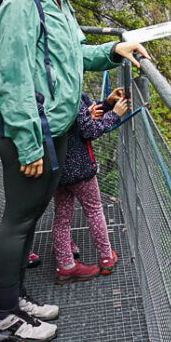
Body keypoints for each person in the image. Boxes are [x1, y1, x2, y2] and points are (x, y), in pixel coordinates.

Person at [0, 0, 150, 342]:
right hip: (31, 130)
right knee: (17, 221)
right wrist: (28, 143)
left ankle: (17, 299)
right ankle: (4, 317)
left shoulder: (56, 0)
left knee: (29, 217)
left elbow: (74, 53)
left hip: (53, 128)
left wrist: (115, 49)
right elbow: (15, 77)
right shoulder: (21, 3)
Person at [52, 86, 130, 285]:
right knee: (94, 210)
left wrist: (107, 103)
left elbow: (81, 120)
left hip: (58, 169)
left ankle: (66, 266)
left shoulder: (48, 94)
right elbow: (89, 129)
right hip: (81, 169)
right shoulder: (69, 92)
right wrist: (115, 114)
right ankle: (105, 257)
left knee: (62, 217)